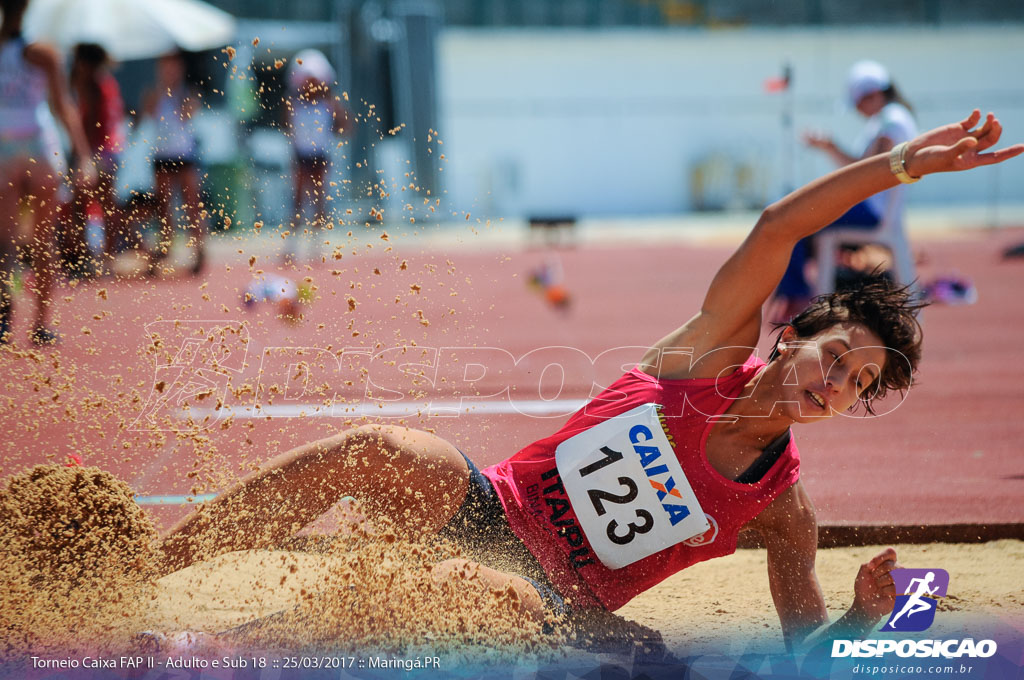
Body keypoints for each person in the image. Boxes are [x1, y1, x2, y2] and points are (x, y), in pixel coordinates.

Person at [157, 111, 1021, 652]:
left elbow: (799, 651)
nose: (833, 386)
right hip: (488, 509)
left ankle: (217, 653)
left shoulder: (782, 508)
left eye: (855, 386)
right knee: (384, 449)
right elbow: (777, 225)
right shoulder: (707, 355)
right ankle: (148, 565)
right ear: (793, 333)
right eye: (835, 358)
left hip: (557, 605)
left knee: (477, 595)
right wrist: (903, 164)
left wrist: (866, 620)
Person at [773, 60, 918, 320]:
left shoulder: (892, 122)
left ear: (873, 95)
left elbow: (872, 173)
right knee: (795, 215)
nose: (857, 111)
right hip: (870, 209)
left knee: (792, 215)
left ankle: (797, 295)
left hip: (872, 213)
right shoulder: (888, 120)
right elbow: (866, 170)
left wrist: (830, 151)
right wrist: (829, 148)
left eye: (858, 104)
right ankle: (797, 292)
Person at [1, 0, 94, 345]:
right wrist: (83, 155)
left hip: (5, 147)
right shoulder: (44, 53)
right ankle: (41, 324)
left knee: (5, 242)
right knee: (43, 239)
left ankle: (3, 317)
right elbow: (63, 106)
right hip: (39, 145)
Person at [282, 48, 351, 263]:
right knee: (298, 202)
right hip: (300, 156)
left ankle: (316, 246)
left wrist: (334, 110)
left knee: (319, 201)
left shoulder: (328, 104)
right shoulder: (294, 103)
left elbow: (346, 126)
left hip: (320, 157)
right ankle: (290, 247)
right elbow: (287, 127)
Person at [65, 43, 127, 278]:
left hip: (97, 151)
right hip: (111, 150)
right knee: (105, 204)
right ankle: (105, 259)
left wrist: (81, 156)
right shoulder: (107, 82)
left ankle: (86, 259)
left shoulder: (92, 85)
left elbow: (89, 123)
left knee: (82, 205)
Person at [143, 51, 206, 276]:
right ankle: (165, 248)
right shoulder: (155, 94)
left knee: (191, 205)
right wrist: (162, 90)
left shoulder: (187, 93)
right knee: (164, 207)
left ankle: (199, 250)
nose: (169, 72)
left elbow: (188, 114)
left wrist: (177, 93)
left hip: (184, 155)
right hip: (162, 155)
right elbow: (148, 112)